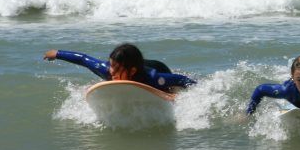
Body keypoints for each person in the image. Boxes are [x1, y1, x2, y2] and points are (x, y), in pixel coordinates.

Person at [43, 43, 195, 92]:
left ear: (132, 71)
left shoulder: (154, 78)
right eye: (111, 65)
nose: (111, 71)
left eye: (116, 68)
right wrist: (57, 53)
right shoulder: (106, 70)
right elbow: (84, 59)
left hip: (157, 66)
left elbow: (183, 80)